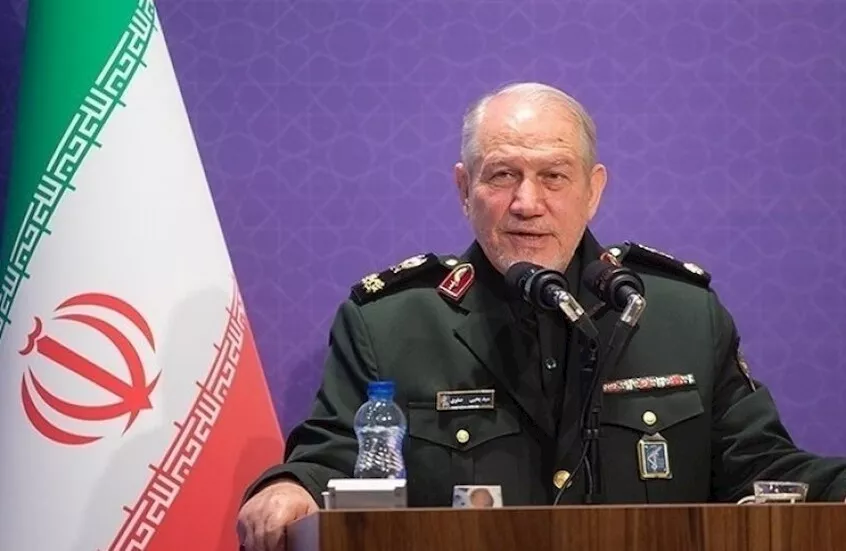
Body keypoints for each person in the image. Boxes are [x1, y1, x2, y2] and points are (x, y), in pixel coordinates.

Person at [236, 82, 846, 550]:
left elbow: (762, 469)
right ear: (463, 189)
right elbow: (330, 460)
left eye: (554, 176)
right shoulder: (388, 324)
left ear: (593, 190)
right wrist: (290, 488)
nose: (527, 203)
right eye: (503, 175)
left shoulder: (680, 314)